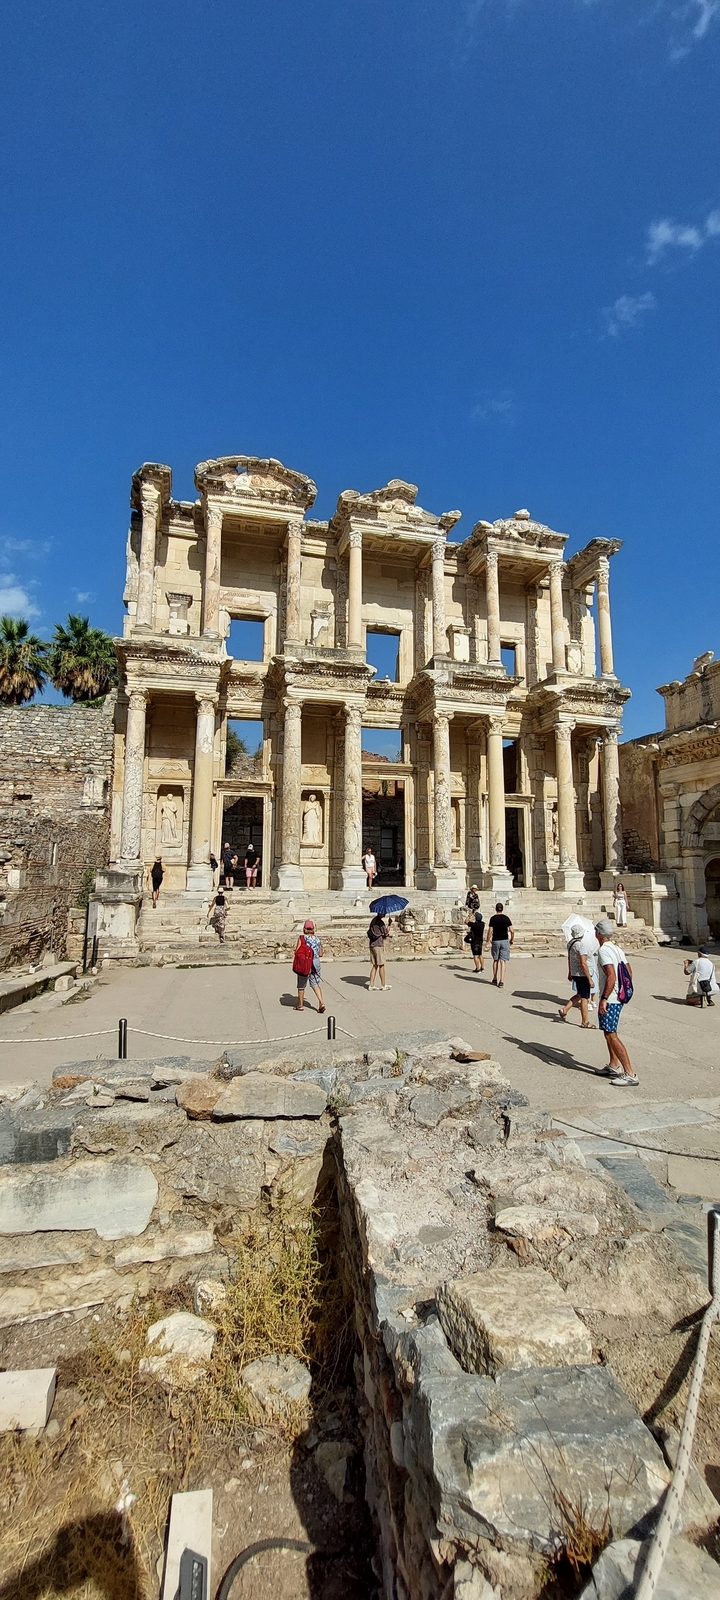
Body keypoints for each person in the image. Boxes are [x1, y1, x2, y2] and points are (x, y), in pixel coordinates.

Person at [595, 918, 638, 1085]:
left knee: (612, 1035)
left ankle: (630, 1073)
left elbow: (611, 975)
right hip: (618, 996)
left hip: (611, 998)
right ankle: (614, 1065)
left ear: (597, 933)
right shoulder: (617, 949)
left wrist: (604, 998)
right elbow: (629, 972)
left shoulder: (604, 951)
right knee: (608, 1032)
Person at [558, 921, 593, 1027]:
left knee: (579, 994)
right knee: (584, 997)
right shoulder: (580, 946)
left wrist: (570, 971)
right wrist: (590, 979)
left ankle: (564, 1009)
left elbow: (569, 958)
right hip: (582, 974)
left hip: (574, 972)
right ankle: (585, 1021)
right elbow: (583, 963)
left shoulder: (570, 943)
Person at [294, 919, 325, 1012]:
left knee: (301, 985)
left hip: (305, 963)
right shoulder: (317, 939)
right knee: (315, 983)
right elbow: (320, 953)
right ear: (313, 928)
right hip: (315, 962)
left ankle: (300, 1005)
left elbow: (297, 951)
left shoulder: (302, 938)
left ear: (304, 928)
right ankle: (321, 1002)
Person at [485, 902, 513, 987]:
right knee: (503, 961)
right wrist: (512, 939)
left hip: (496, 940)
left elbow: (490, 931)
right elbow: (512, 930)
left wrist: (487, 941)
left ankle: (494, 978)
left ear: (496, 909)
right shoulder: (506, 918)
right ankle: (502, 980)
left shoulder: (493, 919)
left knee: (495, 960)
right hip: (505, 940)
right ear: (502, 909)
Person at [367, 913, 392, 990]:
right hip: (378, 945)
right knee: (381, 965)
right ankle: (383, 985)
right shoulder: (380, 922)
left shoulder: (373, 921)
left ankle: (371, 985)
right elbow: (385, 934)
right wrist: (389, 925)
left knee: (375, 965)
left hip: (372, 944)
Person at [466, 907, 485, 973]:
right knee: (480, 954)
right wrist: (475, 914)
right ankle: (482, 967)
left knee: (475, 955)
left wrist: (470, 915)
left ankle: (477, 968)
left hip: (474, 941)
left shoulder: (474, 925)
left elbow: (466, 921)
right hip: (480, 941)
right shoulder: (482, 924)